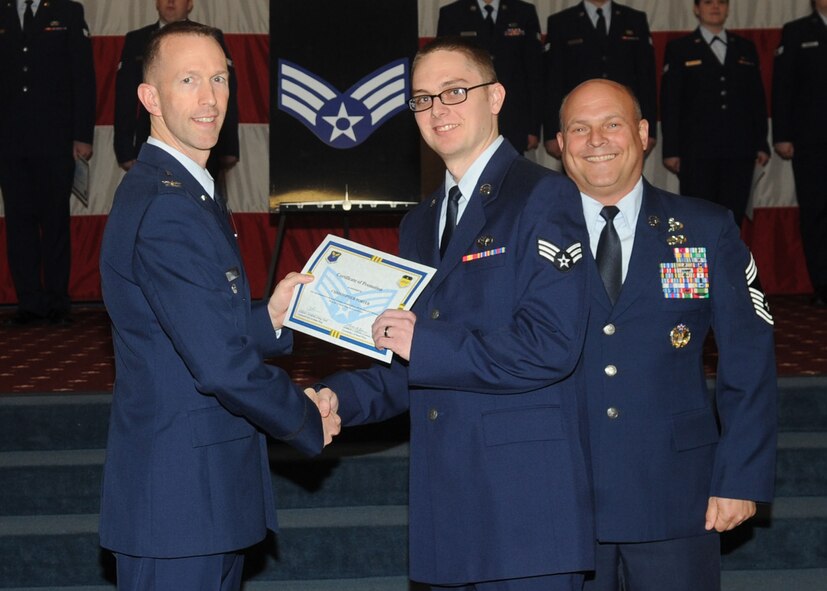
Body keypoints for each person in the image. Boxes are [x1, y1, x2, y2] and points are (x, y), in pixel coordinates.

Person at [314, 37, 593, 591]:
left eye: (455, 91)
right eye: (422, 99)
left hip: (523, 514)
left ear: (497, 98)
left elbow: (551, 346)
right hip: (447, 511)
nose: (438, 109)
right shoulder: (420, 223)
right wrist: (336, 400)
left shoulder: (545, 197)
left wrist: (426, 345)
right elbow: (411, 363)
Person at [98, 22, 340, 590]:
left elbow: (183, 334)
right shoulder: (168, 206)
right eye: (188, 80)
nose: (210, 98)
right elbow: (220, 367)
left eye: (220, 79)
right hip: (181, 504)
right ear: (149, 97)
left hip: (194, 499)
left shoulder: (184, 188)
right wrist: (302, 416)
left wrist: (270, 319)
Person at [556, 78, 777, 591]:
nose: (597, 140)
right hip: (561, 492)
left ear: (643, 134)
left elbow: (748, 358)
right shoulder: (531, 234)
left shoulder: (705, 229)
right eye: (579, 129)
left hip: (677, 494)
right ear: (561, 145)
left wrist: (740, 477)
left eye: (612, 124)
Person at [0, 0, 96, 326]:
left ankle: (56, 301)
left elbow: (83, 75)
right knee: (18, 224)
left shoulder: (67, 11)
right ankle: (29, 302)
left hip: (56, 140)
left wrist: (82, 135)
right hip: (10, 142)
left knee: (55, 222)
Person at [660, 0, 770, 227]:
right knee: (697, 217)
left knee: (733, 216)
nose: (715, 7)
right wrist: (671, 149)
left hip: (739, 150)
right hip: (696, 152)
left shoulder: (744, 48)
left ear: (728, 8)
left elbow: (757, 100)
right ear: (696, 9)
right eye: (708, 2)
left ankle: (728, 264)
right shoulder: (681, 48)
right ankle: (703, 264)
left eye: (721, 2)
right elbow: (670, 102)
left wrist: (761, 143)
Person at [114, 0, 239, 178]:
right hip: (151, 143)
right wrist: (124, 149)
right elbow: (124, 98)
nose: (171, 1)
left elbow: (228, 95)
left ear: (190, 4)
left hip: (206, 144)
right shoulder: (137, 40)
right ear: (156, 3)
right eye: (188, 79)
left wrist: (230, 146)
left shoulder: (208, 39)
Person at [542, 0, 657, 159]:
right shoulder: (561, 22)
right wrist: (550, 132)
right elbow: (552, 82)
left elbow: (647, 80)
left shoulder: (634, 19)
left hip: (623, 121)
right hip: (579, 122)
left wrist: (650, 131)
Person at [772, 0, 827, 306]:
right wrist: (782, 135)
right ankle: (822, 283)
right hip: (812, 141)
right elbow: (783, 85)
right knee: (816, 212)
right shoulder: (796, 32)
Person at [437, 0, 543, 153]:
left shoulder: (523, 12)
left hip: (513, 118)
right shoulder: (452, 14)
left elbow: (535, 74)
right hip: (467, 114)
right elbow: (445, 72)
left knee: (511, 173)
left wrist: (533, 128)